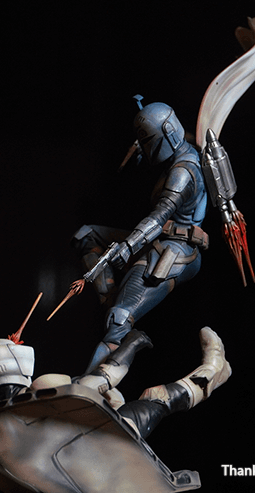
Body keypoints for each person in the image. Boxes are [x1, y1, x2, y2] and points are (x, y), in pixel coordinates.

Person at [71, 100, 209, 374]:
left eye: (149, 142)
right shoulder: (182, 149)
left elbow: (160, 215)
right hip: (161, 238)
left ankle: (90, 383)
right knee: (86, 235)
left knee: (119, 317)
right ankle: (116, 305)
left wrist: (129, 245)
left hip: (178, 250)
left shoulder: (182, 172)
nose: (146, 148)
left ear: (167, 134)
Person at [0, 326, 231, 440]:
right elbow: (105, 378)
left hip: (77, 453)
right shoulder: (40, 388)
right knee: (156, 397)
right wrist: (132, 343)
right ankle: (214, 370)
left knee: (119, 402)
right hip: (101, 445)